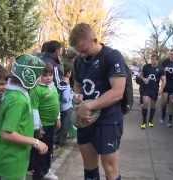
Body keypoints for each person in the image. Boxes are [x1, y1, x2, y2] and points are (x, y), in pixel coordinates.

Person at [70, 23, 126, 180]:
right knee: (88, 166)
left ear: (95, 40)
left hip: (109, 118)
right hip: (86, 119)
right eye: (78, 51)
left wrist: (90, 105)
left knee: (109, 167)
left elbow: (118, 92)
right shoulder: (78, 61)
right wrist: (78, 96)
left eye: (84, 50)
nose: (82, 55)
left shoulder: (112, 56)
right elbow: (78, 85)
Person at [0, 55, 48, 180]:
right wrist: (36, 142)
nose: (39, 80)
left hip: (16, 155)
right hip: (12, 157)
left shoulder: (15, 93)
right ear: (28, 76)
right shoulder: (18, 99)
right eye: (39, 75)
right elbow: (7, 134)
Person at [29, 63, 61, 180]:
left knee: (49, 149)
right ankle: (37, 174)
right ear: (39, 76)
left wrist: (58, 118)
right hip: (43, 127)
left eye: (50, 74)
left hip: (52, 125)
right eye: (45, 75)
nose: (48, 77)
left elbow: (57, 102)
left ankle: (46, 170)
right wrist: (38, 127)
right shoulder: (36, 90)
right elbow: (34, 110)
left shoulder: (53, 86)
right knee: (40, 151)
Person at [140, 54, 166, 129]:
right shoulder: (146, 67)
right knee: (145, 102)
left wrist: (161, 89)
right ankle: (144, 122)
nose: (153, 61)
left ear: (157, 60)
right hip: (146, 88)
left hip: (155, 89)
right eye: (152, 59)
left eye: (154, 59)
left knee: (153, 105)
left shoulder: (161, 69)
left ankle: (150, 121)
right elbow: (141, 75)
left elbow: (164, 80)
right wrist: (143, 79)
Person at [55, 63, 74, 146]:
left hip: (61, 107)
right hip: (67, 107)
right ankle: (61, 142)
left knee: (60, 125)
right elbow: (66, 98)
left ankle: (57, 141)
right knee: (65, 126)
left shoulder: (59, 81)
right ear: (68, 73)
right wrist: (72, 95)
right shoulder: (65, 82)